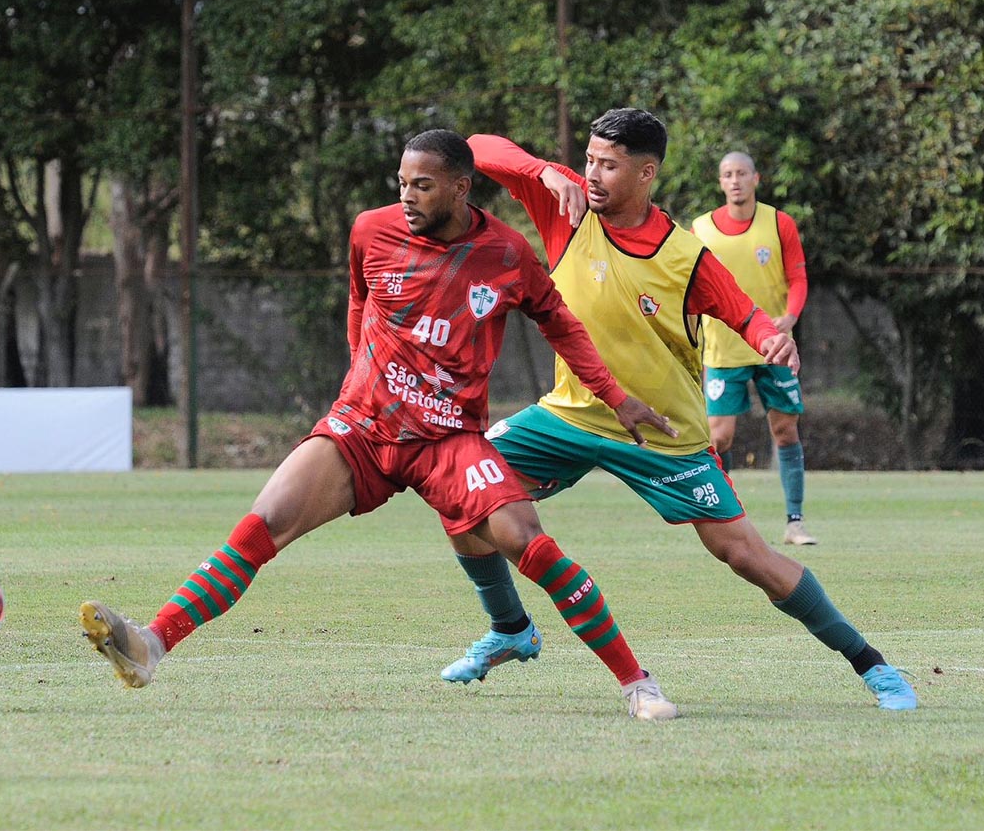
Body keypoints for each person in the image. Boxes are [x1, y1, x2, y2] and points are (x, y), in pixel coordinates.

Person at [78, 129, 684, 720]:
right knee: (262, 526)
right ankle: (151, 644)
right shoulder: (372, 229)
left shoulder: (506, 254)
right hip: (363, 427)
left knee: (529, 541)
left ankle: (636, 682)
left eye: (422, 185)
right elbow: (359, 296)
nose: (407, 196)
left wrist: (616, 397)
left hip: (448, 439)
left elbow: (561, 325)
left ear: (459, 189)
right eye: (401, 183)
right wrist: (354, 378)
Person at [437, 109, 917, 711]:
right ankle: (510, 629)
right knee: (459, 483)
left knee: (747, 556)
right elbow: (473, 146)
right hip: (573, 413)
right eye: (588, 160)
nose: (592, 174)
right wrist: (540, 170)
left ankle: (872, 666)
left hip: (664, 434)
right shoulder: (566, 205)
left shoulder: (685, 256)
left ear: (646, 172)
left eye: (608, 165)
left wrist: (770, 337)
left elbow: (745, 315)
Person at [693, 151, 816, 546]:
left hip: (772, 346)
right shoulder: (701, 229)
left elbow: (797, 278)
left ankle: (795, 522)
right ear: (720, 181)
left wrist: (791, 317)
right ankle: (728, 524)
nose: (735, 180)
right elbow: (689, 286)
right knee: (720, 438)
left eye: (742, 173)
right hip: (723, 348)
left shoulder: (779, 224)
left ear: (755, 178)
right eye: (727, 174)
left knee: (784, 430)